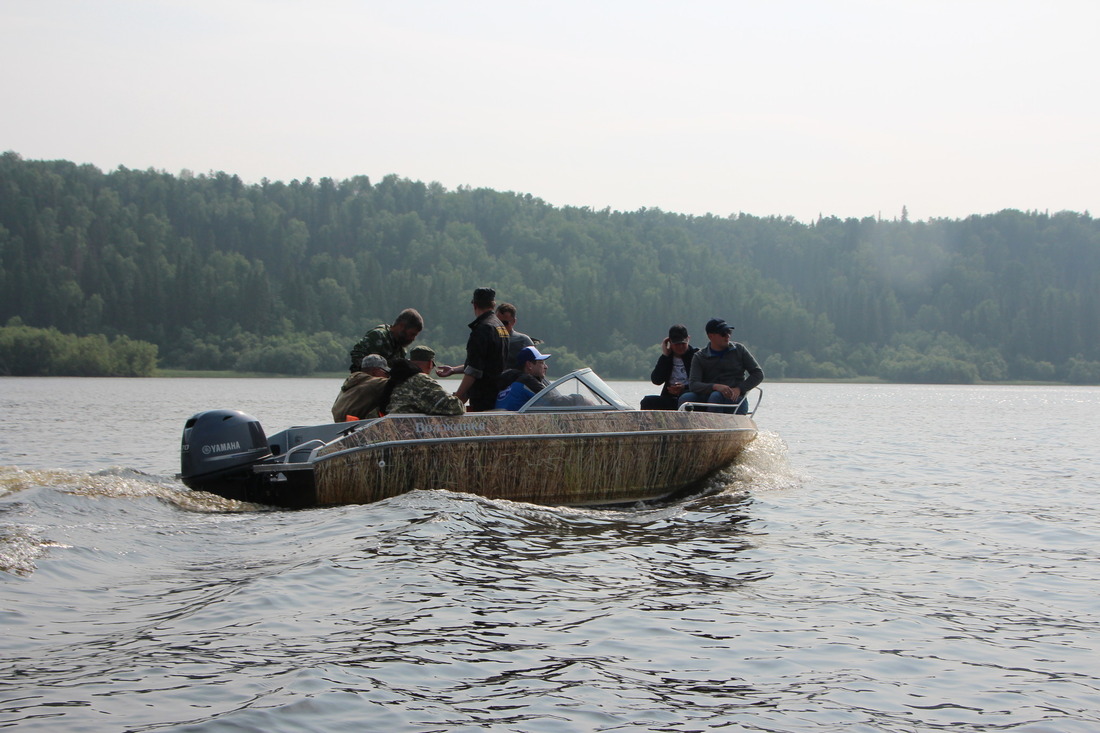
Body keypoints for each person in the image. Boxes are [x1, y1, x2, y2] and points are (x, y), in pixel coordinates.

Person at [435, 287, 508, 411]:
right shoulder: (500, 326)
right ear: (493, 304)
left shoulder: (482, 329)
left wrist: (456, 398)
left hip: (483, 396)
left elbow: (474, 370)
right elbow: (487, 362)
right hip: (499, 393)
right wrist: (453, 370)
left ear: (474, 305)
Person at [678, 318, 764, 414]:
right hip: (707, 396)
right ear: (711, 336)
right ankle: (687, 426)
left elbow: (758, 374)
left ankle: (713, 426)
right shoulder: (699, 357)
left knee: (716, 396)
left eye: (729, 332)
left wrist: (740, 388)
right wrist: (715, 386)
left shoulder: (739, 350)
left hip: (735, 398)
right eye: (723, 333)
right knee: (685, 398)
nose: (727, 336)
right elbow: (693, 385)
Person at [641, 324, 699, 410]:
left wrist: (684, 388)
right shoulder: (668, 357)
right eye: (676, 344)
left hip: (690, 398)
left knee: (686, 398)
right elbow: (656, 380)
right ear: (670, 342)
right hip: (670, 398)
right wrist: (665, 356)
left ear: (688, 339)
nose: (680, 347)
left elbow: (703, 382)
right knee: (647, 401)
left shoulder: (697, 356)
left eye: (683, 343)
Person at [348, 308, 424, 372]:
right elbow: (357, 355)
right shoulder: (378, 336)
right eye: (412, 334)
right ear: (401, 326)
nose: (413, 338)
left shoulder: (401, 347)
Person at [382, 359, 465, 416]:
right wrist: (458, 397)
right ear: (430, 364)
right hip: (409, 433)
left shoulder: (394, 380)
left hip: (392, 429)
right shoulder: (420, 380)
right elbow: (455, 407)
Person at [330, 354, 390, 422]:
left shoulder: (351, 381)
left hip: (341, 425)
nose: (387, 375)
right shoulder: (374, 383)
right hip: (356, 425)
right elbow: (395, 382)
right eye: (386, 372)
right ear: (375, 371)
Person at [496, 346, 552, 410]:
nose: (546, 367)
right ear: (529, 365)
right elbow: (552, 400)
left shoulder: (509, 382)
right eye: (541, 363)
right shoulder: (527, 380)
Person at [496, 302, 535, 368]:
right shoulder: (487, 339)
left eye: (504, 323)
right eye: (496, 322)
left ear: (514, 321)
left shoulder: (523, 341)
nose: (500, 326)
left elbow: (534, 366)